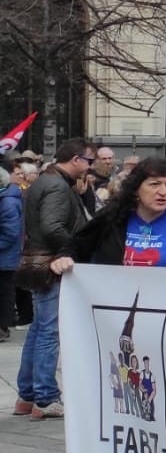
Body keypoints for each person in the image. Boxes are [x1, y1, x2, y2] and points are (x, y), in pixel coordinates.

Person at [15, 138, 90, 420]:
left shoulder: (45, 181)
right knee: (48, 330)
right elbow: (51, 225)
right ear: (75, 160)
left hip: (39, 260)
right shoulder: (58, 185)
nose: (89, 167)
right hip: (51, 263)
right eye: (88, 161)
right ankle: (44, 397)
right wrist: (77, 245)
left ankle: (28, 394)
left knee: (39, 328)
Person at [48, 157, 166, 274]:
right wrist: (64, 258)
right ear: (136, 188)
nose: (163, 192)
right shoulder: (112, 215)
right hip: (115, 308)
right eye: (154, 184)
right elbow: (76, 246)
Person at [0, 161, 19, 344]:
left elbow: (11, 233)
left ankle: (2, 327)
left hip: (5, 258)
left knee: (5, 292)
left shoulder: (7, 203)